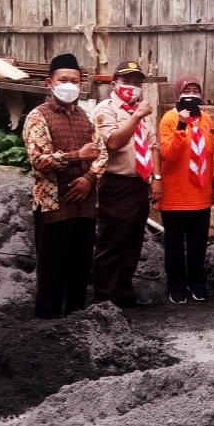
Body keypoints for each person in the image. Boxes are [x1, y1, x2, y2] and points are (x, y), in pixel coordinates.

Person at [23, 53, 107, 319]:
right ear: (50, 83)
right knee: (52, 268)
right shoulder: (38, 117)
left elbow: (102, 153)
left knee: (81, 267)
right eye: (63, 80)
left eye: (74, 80)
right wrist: (76, 156)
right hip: (53, 205)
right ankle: (47, 324)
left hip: (84, 204)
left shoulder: (87, 116)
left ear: (81, 83)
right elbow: (39, 160)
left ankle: (76, 320)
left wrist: (89, 179)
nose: (69, 85)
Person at [91, 60, 162, 308]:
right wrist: (137, 116)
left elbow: (153, 146)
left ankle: (124, 292)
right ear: (114, 84)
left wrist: (156, 179)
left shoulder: (139, 111)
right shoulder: (106, 109)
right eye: (127, 81)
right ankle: (105, 299)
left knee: (133, 242)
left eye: (137, 82)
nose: (132, 86)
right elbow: (113, 143)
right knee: (112, 241)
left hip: (139, 184)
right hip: (116, 183)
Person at [158, 74, 214, 303]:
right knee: (174, 245)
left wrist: (211, 185)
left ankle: (197, 283)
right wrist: (181, 126)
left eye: (195, 89)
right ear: (178, 93)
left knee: (198, 244)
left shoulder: (207, 120)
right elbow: (168, 155)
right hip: (175, 194)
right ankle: (176, 285)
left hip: (200, 193)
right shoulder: (169, 119)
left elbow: (209, 156)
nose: (191, 93)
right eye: (187, 89)